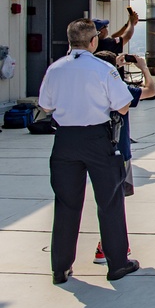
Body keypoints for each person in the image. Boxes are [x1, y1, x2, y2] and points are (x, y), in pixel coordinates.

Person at [37, 18, 141, 284]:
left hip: (65, 140)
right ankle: (117, 264)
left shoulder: (55, 68)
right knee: (109, 202)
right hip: (97, 138)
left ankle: (60, 268)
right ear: (93, 41)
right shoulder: (102, 69)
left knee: (66, 204)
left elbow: (45, 106)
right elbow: (123, 106)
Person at [93, 50, 155, 264]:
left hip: (96, 150)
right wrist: (144, 67)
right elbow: (151, 90)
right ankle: (109, 245)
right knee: (116, 200)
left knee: (104, 199)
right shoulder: (121, 90)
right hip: (119, 152)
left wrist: (114, 66)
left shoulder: (91, 88)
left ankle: (107, 243)